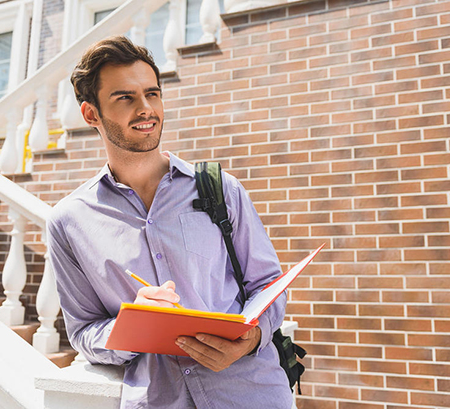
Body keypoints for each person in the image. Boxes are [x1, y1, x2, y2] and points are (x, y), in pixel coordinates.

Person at [46, 36, 293, 408]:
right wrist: (133, 328)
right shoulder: (69, 221)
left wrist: (252, 338)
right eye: (125, 97)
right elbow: (83, 331)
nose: (146, 109)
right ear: (91, 114)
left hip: (251, 394)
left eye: (153, 94)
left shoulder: (221, 189)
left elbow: (269, 286)